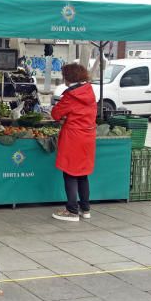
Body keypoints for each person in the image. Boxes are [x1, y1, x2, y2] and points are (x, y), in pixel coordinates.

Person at [49, 63, 97, 222]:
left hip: (73, 138)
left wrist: (64, 116)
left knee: (69, 173)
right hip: (88, 137)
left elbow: (55, 114)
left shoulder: (71, 96)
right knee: (83, 174)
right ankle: (86, 209)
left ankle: (72, 211)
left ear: (69, 78)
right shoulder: (89, 92)